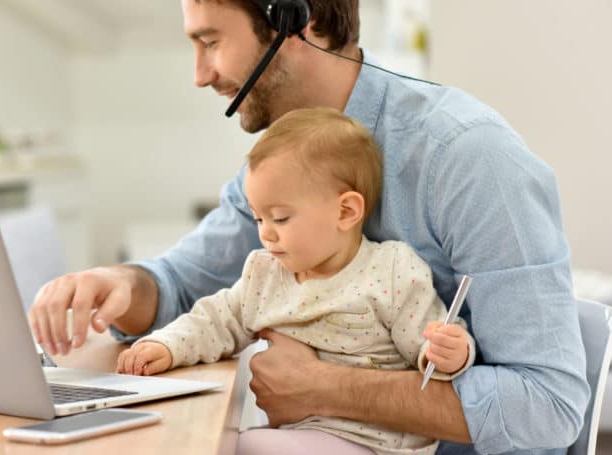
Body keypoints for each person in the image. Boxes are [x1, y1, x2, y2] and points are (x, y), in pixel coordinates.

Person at [29, 1, 589, 453]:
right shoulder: (289, 164)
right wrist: (121, 284)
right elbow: (183, 283)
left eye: (210, 42)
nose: (200, 76)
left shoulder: (468, 157)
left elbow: (550, 408)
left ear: (300, 20)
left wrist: (327, 389)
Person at [117, 107, 476, 455]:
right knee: (213, 439)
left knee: (229, 447)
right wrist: (166, 346)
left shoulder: (392, 271)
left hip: (374, 443)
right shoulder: (265, 274)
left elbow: (431, 344)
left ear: (346, 211)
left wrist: (449, 353)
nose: (266, 235)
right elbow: (215, 319)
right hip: (298, 435)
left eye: (280, 218)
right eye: (258, 220)